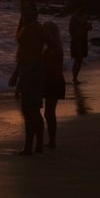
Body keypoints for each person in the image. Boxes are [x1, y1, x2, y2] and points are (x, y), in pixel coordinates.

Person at [9, 0, 54, 155]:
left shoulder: (37, 27)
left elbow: (52, 45)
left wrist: (39, 59)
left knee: (31, 110)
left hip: (33, 71)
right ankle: (33, 146)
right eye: (22, 8)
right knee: (28, 110)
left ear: (34, 10)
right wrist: (15, 75)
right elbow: (21, 53)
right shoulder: (25, 26)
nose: (24, 11)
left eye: (27, 8)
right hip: (24, 70)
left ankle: (34, 146)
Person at [41, 21, 66, 149]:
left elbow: (53, 68)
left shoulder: (55, 49)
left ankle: (52, 141)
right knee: (49, 112)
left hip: (53, 82)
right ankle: (52, 141)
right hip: (52, 81)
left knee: (49, 112)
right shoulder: (52, 48)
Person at [68, 0, 91, 84]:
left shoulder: (84, 16)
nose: (84, 8)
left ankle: (75, 78)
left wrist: (87, 27)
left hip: (83, 40)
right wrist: (76, 38)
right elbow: (70, 30)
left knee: (79, 60)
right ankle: (74, 78)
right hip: (77, 40)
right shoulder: (74, 17)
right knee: (77, 59)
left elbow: (87, 28)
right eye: (82, 7)